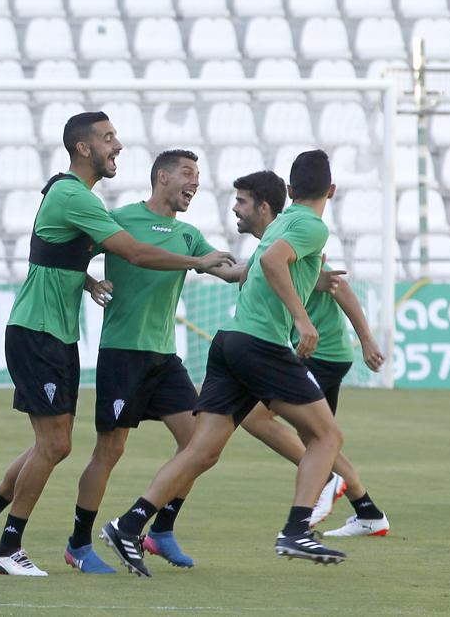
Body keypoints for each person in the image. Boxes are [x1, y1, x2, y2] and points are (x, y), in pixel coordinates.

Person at [0, 112, 234, 577]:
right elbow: (134, 252)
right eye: (108, 138)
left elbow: (50, 251)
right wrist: (196, 262)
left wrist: (83, 281)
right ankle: (10, 547)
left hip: (59, 333)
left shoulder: (77, 198)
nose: (117, 145)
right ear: (83, 148)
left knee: (57, 444)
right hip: (40, 332)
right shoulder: (72, 194)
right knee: (57, 445)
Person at [101, 150, 349, 578]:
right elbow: (271, 262)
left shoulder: (285, 223)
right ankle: (296, 528)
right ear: (331, 190)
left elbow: (263, 263)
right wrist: (302, 317)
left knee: (201, 449)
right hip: (262, 345)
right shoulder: (311, 225)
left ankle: (129, 525)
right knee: (327, 438)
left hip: (230, 342)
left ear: (289, 192)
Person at [65, 150, 243, 574]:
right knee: (110, 450)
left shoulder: (189, 235)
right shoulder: (121, 218)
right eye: (187, 173)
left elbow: (232, 271)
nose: (195, 182)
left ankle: (160, 530)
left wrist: (282, 264)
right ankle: (78, 545)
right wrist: (90, 283)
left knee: (201, 446)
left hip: (164, 357)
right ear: (162, 177)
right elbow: (69, 258)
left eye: (198, 176)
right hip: (122, 353)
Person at [231, 170, 390, 538]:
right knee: (318, 436)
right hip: (311, 350)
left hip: (322, 351)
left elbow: (338, 286)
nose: (235, 210)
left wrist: (366, 340)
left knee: (263, 420)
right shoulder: (282, 237)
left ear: (267, 208)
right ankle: (367, 511)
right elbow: (254, 271)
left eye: (241, 203)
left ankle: (328, 482)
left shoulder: (299, 236)